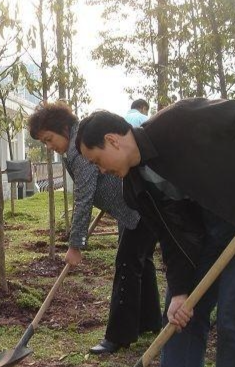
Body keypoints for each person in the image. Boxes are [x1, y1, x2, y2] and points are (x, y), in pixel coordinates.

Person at [76, 99, 235, 367]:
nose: (102, 170)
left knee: (231, 321)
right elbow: (171, 236)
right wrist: (181, 291)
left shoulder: (178, 122)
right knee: (180, 319)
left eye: (97, 161)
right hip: (206, 237)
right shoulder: (134, 188)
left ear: (112, 140)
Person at [28, 101, 161, 354]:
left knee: (127, 264)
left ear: (63, 129)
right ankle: (150, 321)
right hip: (131, 209)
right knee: (141, 261)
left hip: (139, 208)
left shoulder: (82, 145)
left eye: (48, 139)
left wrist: (75, 244)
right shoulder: (77, 143)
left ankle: (118, 337)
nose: (49, 147)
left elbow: (83, 196)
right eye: (44, 142)